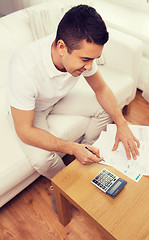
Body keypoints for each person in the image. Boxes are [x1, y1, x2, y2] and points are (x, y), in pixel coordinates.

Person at [8, 5, 140, 181]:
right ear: (62, 47)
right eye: (85, 59)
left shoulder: (81, 56)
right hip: (33, 110)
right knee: (43, 159)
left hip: (58, 98)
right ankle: (64, 187)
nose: (90, 67)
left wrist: (121, 123)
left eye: (94, 59)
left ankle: (87, 155)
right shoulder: (23, 68)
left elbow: (101, 89)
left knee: (105, 110)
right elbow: (24, 130)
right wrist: (71, 148)